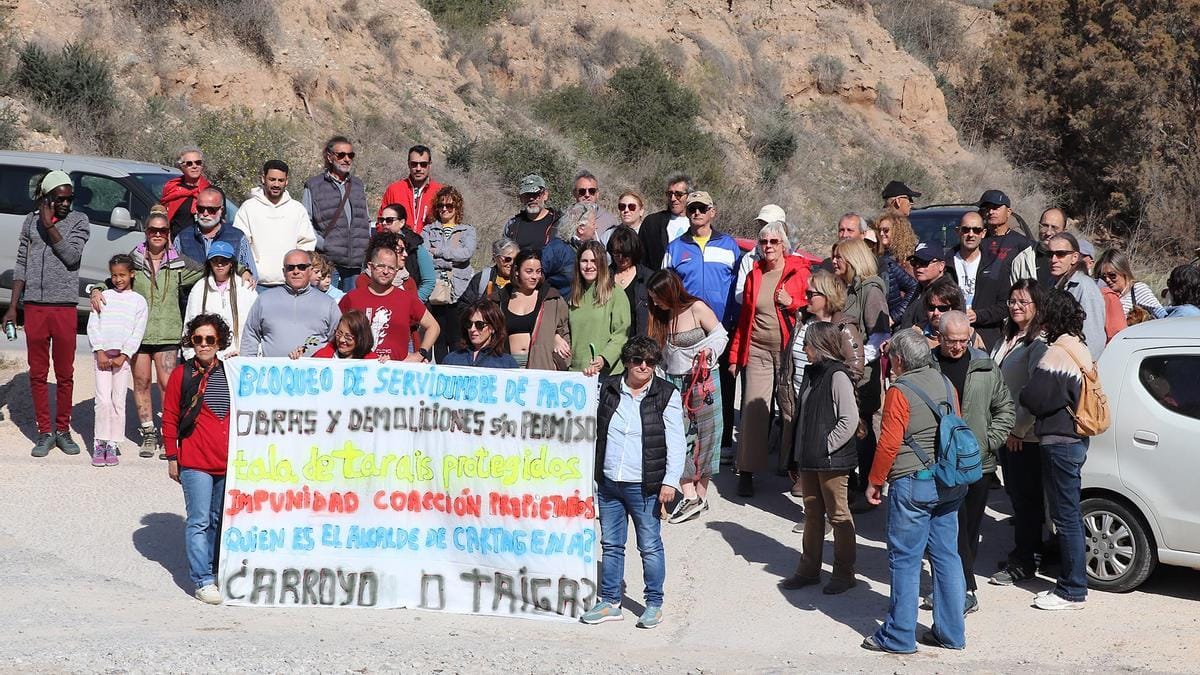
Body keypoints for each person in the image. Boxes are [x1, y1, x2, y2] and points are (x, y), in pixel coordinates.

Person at [862, 328, 966, 653]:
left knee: (905, 560)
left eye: (891, 357)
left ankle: (898, 636)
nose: (889, 363)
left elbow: (889, 442)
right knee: (947, 557)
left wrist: (874, 481)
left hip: (913, 483)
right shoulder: (946, 384)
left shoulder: (900, 389)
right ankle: (951, 633)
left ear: (901, 360)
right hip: (950, 482)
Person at [580, 336, 686, 629]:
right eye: (638, 361)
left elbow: (676, 442)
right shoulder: (609, 387)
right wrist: (587, 378)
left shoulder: (666, 394)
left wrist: (670, 481)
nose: (644, 367)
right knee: (611, 545)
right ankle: (611, 602)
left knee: (650, 546)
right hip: (610, 481)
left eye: (651, 362)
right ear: (627, 361)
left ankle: (654, 604)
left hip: (646, 485)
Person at [91, 208, 204, 459]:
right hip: (139, 334)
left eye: (162, 231)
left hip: (167, 333)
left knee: (167, 385)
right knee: (141, 383)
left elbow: (210, 268)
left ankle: (168, 432)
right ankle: (148, 432)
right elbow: (114, 278)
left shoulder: (179, 262)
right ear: (146, 232)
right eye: (153, 230)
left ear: (168, 233)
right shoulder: (135, 259)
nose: (157, 234)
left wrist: (240, 269)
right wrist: (96, 289)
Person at [930, 310, 1014, 613]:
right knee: (945, 529)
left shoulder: (985, 366)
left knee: (967, 529)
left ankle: (960, 587)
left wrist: (988, 442)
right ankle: (963, 588)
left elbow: (1005, 409)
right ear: (939, 337)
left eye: (963, 341)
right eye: (951, 341)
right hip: (938, 464)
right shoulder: (927, 365)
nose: (957, 347)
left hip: (978, 463)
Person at [1018, 290, 1094, 611]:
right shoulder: (1080, 347)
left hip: (1058, 441)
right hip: (1076, 440)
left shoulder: (1056, 353)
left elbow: (1033, 399)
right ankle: (1072, 581)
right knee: (1070, 513)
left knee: (1065, 516)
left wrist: (1024, 389)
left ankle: (1072, 589)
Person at [6, 170, 90, 457]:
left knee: (65, 373)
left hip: (64, 306)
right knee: (38, 373)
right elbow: (21, 263)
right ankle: (45, 431)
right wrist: (13, 306)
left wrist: (49, 225)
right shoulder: (29, 221)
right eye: (60, 198)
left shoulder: (79, 221)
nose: (66, 203)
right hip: (34, 306)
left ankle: (63, 430)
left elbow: (71, 256)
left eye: (70, 198)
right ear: (46, 197)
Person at [728, 220, 810, 497]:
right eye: (764, 243)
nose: (768, 247)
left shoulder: (799, 272)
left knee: (790, 410)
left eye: (774, 242)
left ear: (784, 245)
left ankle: (792, 467)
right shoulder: (754, 275)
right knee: (753, 409)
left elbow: (813, 306)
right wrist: (734, 355)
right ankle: (747, 470)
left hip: (788, 351)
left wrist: (793, 302)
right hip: (758, 349)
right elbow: (745, 319)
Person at [780, 322, 861, 594]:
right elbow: (804, 418)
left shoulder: (838, 375)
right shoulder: (812, 374)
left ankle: (844, 573)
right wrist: (797, 456)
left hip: (830, 461)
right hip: (810, 459)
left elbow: (849, 419)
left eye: (808, 345)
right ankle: (808, 569)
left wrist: (826, 446)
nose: (804, 350)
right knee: (813, 515)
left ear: (820, 346)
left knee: (838, 516)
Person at [162, 313, 234, 605]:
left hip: (227, 462)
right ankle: (202, 579)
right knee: (199, 520)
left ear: (219, 342)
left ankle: (216, 570)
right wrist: (171, 457)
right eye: (198, 339)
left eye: (210, 340)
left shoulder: (232, 372)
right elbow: (169, 417)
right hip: (195, 461)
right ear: (191, 341)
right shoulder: (182, 374)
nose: (203, 345)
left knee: (219, 520)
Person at [664, 191, 743, 454]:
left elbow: (737, 288)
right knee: (688, 387)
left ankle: (722, 443)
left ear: (713, 211)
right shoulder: (675, 248)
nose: (696, 213)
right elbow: (665, 288)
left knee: (723, 387)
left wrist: (732, 320)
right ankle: (687, 442)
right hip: (687, 332)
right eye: (692, 209)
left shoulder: (729, 245)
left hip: (721, 327)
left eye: (702, 208)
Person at [647, 269, 728, 524]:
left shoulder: (696, 308)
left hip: (703, 381)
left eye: (657, 297)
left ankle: (699, 496)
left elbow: (720, 335)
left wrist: (708, 354)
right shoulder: (661, 316)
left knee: (708, 436)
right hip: (673, 381)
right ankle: (689, 493)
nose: (655, 303)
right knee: (675, 437)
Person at [988, 279, 1050, 587]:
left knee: (1027, 500)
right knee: (1016, 496)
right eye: (1012, 301)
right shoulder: (1008, 336)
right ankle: (1026, 551)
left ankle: (1025, 560)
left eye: (1023, 302)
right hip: (1005, 431)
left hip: (1025, 435)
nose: (1015, 307)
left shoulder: (1038, 342)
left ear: (1037, 306)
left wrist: (1018, 429)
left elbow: (1034, 392)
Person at [831, 238, 889, 498]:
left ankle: (869, 485)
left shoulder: (871, 290)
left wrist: (856, 361)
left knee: (862, 430)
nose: (834, 261)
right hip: (847, 373)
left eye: (839, 257)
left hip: (863, 377)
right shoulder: (848, 288)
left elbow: (880, 336)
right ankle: (855, 482)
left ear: (853, 259)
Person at [86, 254, 148, 467]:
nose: (118, 279)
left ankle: (113, 442)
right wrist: (100, 351)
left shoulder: (138, 301)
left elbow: (137, 332)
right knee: (102, 400)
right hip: (102, 357)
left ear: (132, 274)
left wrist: (124, 355)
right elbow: (93, 324)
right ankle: (99, 442)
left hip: (122, 359)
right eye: (114, 275)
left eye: (122, 275)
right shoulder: (104, 296)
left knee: (118, 401)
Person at [338, 244, 438, 363]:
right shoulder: (352, 297)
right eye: (381, 266)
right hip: (360, 369)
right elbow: (336, 330)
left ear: (397, 271)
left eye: (391, 268)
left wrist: (420, 354)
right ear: (370, 266)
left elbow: (433, 327)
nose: (386, 272)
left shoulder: (407, 298)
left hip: (396, 372)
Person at [240, 249, 343, 358]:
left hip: (314, 372)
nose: (296, 271)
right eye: (290, 267)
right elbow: (250, 335)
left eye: (302, 267)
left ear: (310, 270)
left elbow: (337, 340)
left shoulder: (328, 303)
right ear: (284, 271)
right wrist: (246, 365)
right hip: (274, 372)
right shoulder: (264, 300)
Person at [232, 159, 317, 288]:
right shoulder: (249, 208)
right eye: (272, 179)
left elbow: (307, 243)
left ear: (286, 181)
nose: (276, 184)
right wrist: (246, 270)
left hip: (289, 285)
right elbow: (240, 244)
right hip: (256, 284)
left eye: (281, 180)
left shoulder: (297, 209)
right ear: (263, 179)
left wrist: (297, 271)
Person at [303, 135, 370, 291]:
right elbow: (305, 221)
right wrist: (323, 244)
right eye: (341, 155)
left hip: (355, 263)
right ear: (329, 157)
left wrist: (365, 246)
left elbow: (365, 219)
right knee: (327, 307)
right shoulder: (314, 185)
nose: (346, 159)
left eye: (350, 155)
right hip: (328, 262)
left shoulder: (358, 185)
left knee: (352, 310)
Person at [423, 186, 477, 360]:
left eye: (449, 206)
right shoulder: (428, 230)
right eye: (441, 206)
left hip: (459, 291)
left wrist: (438, 251)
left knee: (457, 338)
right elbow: (424, 256)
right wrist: (451, 258)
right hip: (435, 291)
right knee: (438, 337)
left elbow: (466, 253)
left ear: (457, 207)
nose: (444, 209)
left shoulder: (467, 230)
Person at [183, 240, 259, 360]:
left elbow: (257, 325)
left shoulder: (246, 288)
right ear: (210, 263)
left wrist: (248, 354)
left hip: (239, 357)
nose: (219, 264)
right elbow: (190, 324)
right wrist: (192, 357)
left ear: (231, 263)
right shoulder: (199, 288)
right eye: (215, 260)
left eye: (224, 261)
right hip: (207, 360)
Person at [497, 250, 571, 370]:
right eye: (529, 271)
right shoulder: (500, 298)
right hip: (506, 368)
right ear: (516, 272)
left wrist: (558, 363)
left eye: (538, 271)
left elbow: (566, 332)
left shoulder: (552, 299)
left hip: (540, 367)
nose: (534, 277)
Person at [568, 241, 631, 376]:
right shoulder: (573, 295)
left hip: (606, 374)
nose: (589, 266)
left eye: (594, 261)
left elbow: (621, 334)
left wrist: (604, 358)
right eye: (584, 261)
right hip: (576, 372)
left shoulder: (615, 293)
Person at [949, 212, 1010, 350]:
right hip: (951, 336)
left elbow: (1005, 305)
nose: (971, 234)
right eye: (966, 230)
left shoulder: (996, 265)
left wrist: (978, 315)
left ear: (983, 233)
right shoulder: (945, 264)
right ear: (958, 232)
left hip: (985, 339)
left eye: (976, 230)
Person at [174, 186, 257, 281]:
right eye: (201, 209)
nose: (205, 214)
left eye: (211, 210)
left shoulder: (238, 237)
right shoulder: (182, 238)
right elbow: (174, 275)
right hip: (193, 294)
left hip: (229, 294)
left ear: (221, 210)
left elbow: (251, 275)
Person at [1046, 233, 1105, 360]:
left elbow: (1093, 339)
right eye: (1050, 254)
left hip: (1075, 367)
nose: (1054, 259)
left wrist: (1081, 368)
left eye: (1061, 254)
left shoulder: (1085, 287)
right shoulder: (1050, 283)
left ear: (1074, 258)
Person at [376, 204, 436, 302]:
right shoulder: (376, 244)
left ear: (402, 222)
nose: (384, 223)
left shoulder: (415, 245)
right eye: (381, 220)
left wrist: (413, 303)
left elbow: (429, 280)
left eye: (389, 220)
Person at [378, 144, 443, 234]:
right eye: (414, 164)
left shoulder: (440, 192)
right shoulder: (394, 190)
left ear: (430, 165)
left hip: (430, 246)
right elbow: (381, 224)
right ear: (408, 164)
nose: (418, 168)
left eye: (423, 164)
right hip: (398, 245)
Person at [733, 204, 788, 304]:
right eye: (761, 224)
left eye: (768, 224)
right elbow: (739, 295)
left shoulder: (795, 261)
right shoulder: (749, 258)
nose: (763, 229)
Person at [639, 173, 693, 273]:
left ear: (688, 196)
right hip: (658, 284)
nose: (673, 198)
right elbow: (641, 259)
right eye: (670, 194)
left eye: (678, 194)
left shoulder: (697, 224)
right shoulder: (652, 223)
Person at [977, 190, 1035, 283]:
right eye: (987, 208)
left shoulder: (1021, 244)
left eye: (996, 208)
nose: (991, 212)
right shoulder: (977, 241)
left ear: (1008, 212)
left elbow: (1027, 283)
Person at [873, 209, 918, 326]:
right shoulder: (879, 256)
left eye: (886, 230)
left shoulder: (908, 260)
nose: (882, 234)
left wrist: (894, 317)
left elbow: (914, 289)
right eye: (879, 230)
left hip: (904, 321)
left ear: (898, 232)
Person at [543, 202, 597, 299]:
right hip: (559, 309)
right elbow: (537, 275)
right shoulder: (556, 249)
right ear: (581, 228)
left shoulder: (588, 249)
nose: (596, 227)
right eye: (593, 224)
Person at [443, 300, 519, 368]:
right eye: (468, 324)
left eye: (479, 325)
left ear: (493, 327)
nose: (472, 329)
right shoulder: (451, 359)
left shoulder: (507, 363)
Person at [607, 226, 653, 337]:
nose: (621, 258)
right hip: (611, 343)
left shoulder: (648, 278)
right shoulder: (604, 277)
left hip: (639, 344)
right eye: (617, 253)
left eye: (625, 254)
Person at [1094, 249, 1164, 321]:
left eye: (1112, 275)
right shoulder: (1103, 295)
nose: (1107, 280)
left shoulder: (1137, 290)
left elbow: (1163, 316)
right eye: (1103, 277)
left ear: (1123, 271)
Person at [918, 277, 985, 350]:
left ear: (954, 308)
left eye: (942, 308)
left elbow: (983, 360)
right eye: (931, 307)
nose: (936, 313)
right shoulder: (915, 334)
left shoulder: (970, 335)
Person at [502, 174, 560, 253]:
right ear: (521, 198)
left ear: (545, 195)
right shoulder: (512, 225)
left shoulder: (559, 222)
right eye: (527, 195)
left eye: (536, 194)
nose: (531, 199)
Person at [898, 239, 948, 330]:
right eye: (914, 262)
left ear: (941, 265)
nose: (918, 267)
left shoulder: (948, 292)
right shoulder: (921, 287)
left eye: (924, 262)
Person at [161, 146, 211, 237]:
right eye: (189, 163)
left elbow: (220, 222)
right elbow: (165, 219)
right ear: (181, 166)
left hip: (203, 245)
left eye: (198, 162)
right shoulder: (172, 189)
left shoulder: (211, 192)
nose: (194, 166)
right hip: (175, 245)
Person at [461, 237, 519, 307]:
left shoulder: (522, 281)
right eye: (508, 259)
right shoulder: (482, 279)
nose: (512, 263)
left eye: (516, 259)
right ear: (495, 257)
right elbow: (464, 305)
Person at [310, 310, 379, 359]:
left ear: (360, 338)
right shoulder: (322, 357)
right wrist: (300, 361)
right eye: (339, 333)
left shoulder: (372, 362)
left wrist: (385, 363)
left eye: (348, 337)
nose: (341, 340)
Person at [572, 170, 621, 238]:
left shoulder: (610, 221)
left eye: (592, 191)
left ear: (597, 194)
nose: (587, 195)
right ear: (574, 193)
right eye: (582, 191)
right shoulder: (563, 219)